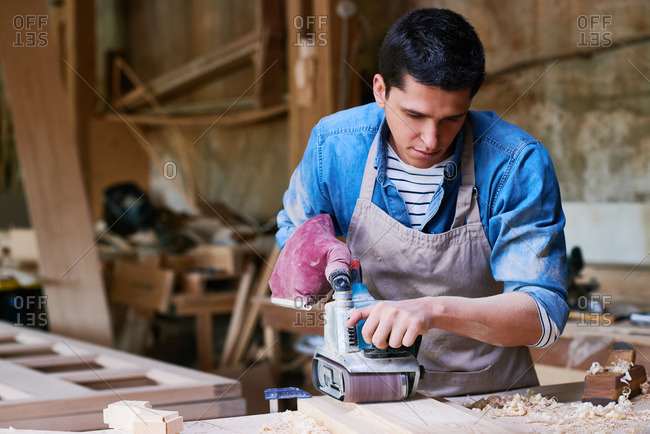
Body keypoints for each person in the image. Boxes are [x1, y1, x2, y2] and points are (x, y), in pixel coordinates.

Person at [275, 8, 569, 396]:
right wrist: (319, 254)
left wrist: (433, 310)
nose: (431, 139)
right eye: (414, 115)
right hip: (370, 391)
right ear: (380, 90)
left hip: (488, 399)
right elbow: (292, 234)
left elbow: (542, 313)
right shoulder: (335, 145)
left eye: (452, 119)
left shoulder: (514, 163)